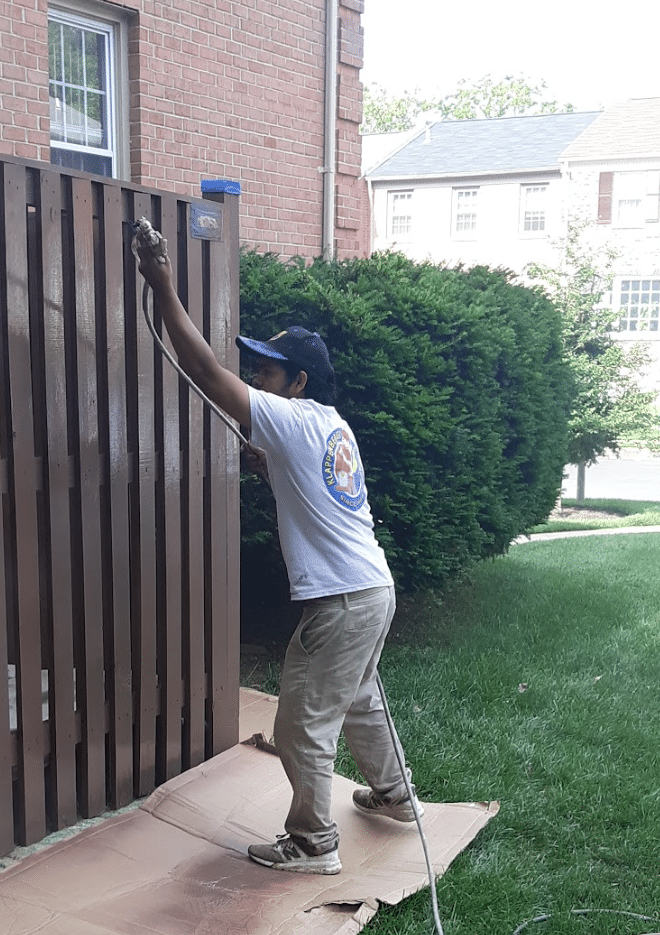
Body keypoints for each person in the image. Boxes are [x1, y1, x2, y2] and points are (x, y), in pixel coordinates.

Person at [135, 235, 421, 877]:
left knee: (300, 724)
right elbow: (322, 494)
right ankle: (395, 796)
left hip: (342, 600)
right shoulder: (330, 424)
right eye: (256, 369)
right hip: (372, 589)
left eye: (267, 372)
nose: (256, 379)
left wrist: (162, 287)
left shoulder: (290, 420)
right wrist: (272, 473)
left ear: (297, 381)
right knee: (358, 698)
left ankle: (313, 844)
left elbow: (208, 373)